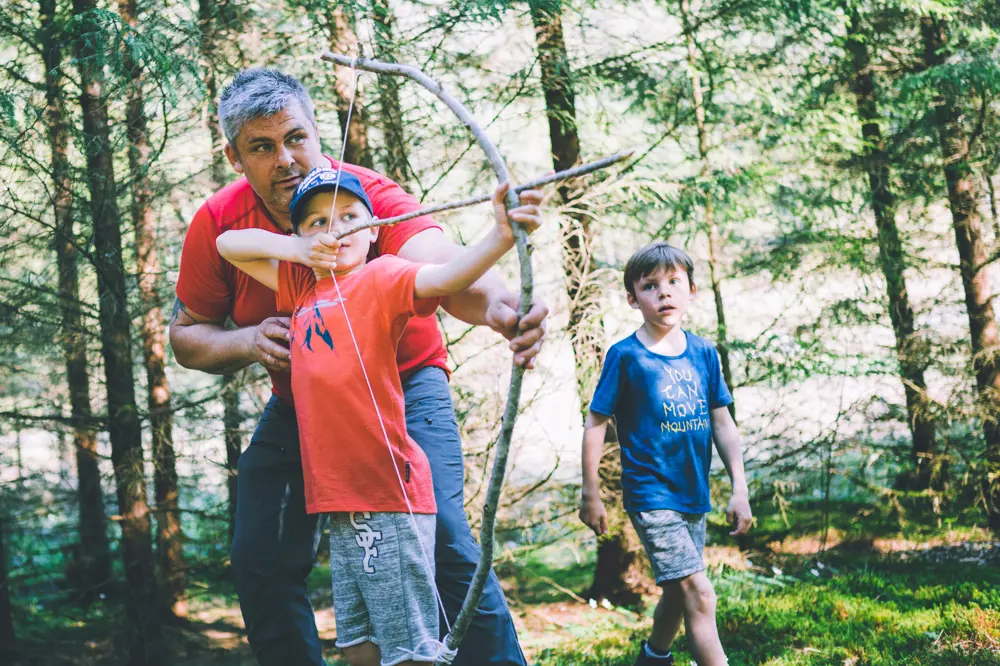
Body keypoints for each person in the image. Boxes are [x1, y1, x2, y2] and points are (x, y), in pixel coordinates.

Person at [169, 68, 543, 666]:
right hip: (304, 402)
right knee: (259, 551)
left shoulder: (364, 199)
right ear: (233, 155)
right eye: (262, 147)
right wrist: (248, 341)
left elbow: (442, 266)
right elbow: (186, 338)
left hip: (404, 387)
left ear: (318, 132)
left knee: (443, 535)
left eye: (296, 137)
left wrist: (504, 308)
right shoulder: (223, 220)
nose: (286, 159)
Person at [577, 242, 753, 666]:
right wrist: (591, 494)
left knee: (678, 589)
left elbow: (722, 422)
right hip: (651, 495)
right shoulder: (625, 356)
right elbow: (596, 423)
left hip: (692, 493)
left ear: (692, 290)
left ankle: (653, 657)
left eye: (674, 283)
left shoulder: (704, 354)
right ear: (633, 298)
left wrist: (739, 488)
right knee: (700, 591)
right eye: (650, 286)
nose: (664, 294)